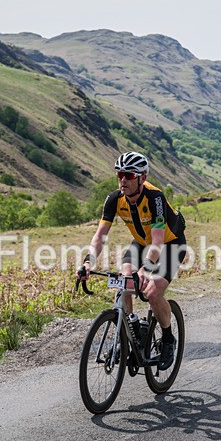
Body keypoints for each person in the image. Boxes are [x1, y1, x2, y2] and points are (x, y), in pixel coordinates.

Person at [77, 152, 186, 370]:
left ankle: (167, 339)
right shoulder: (114, 199)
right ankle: (131, 330)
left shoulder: (155, 198)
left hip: (170, 244)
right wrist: (88, 262)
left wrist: (146, 269)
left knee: (153, 292)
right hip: (140, 242)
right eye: (120, 174)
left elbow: (157, 241)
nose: (123, 180)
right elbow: (100, 236)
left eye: (128, 175)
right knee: (124, 280)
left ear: (142, 178)